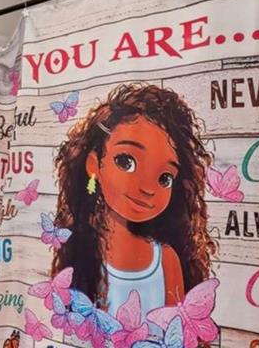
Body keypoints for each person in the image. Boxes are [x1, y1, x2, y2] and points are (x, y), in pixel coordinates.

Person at [51, 83, 216, 318]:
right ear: (94, 165)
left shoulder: (166, 260)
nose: (147, 188)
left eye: (165, 178)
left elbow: (178, 334)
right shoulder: (81, 248)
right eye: (126, 161)